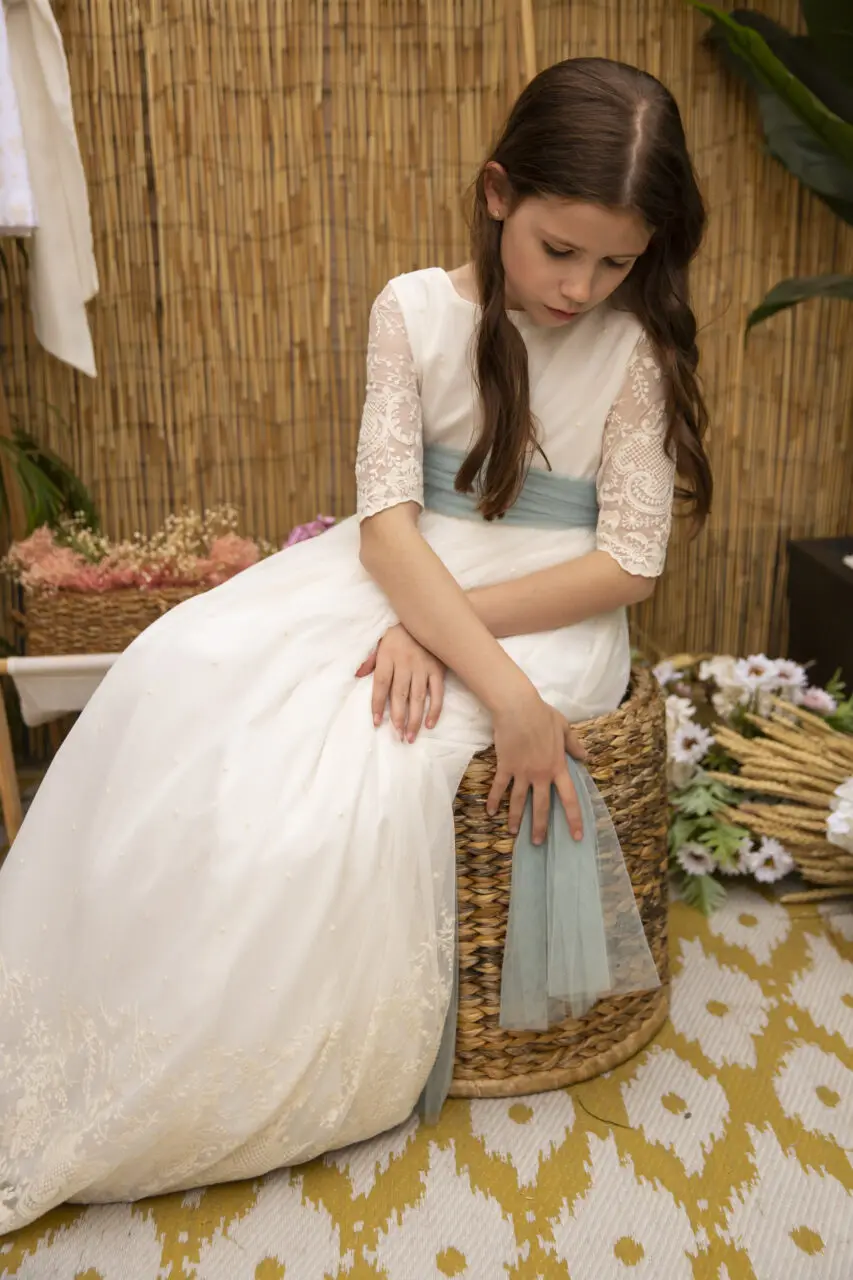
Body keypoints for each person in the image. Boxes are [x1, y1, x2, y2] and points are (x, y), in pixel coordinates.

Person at [0, 55, 711, 1234]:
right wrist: (444, 639)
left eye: (616, 261)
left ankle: (222, 1039)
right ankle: (95, 980)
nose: (582, 286)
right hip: (397, 573)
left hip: (547, 603)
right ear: (497, 195)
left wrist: (455, 644)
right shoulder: (412, 310)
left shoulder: (632, 353)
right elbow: (385, 527)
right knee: (180, 666)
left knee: (348, 768)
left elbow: (626, 565)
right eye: (558, 249)